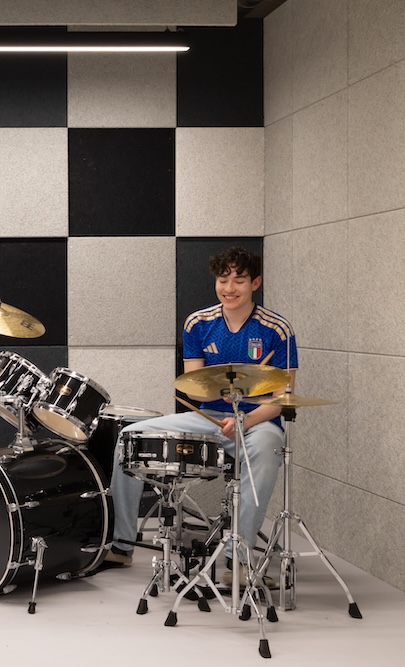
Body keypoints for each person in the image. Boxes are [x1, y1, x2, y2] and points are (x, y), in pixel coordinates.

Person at [104, 246, 297, 586]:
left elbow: (282, 399)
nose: (230, 288)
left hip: (259, 422)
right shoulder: (198, 323)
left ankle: (236, 560)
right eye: (224, 280)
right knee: (129, 436)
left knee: (267, 451)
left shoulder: (277, 330)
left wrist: (246, 421)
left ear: (256, 282)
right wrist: (216, 392)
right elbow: (195, 388)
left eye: (239, 280)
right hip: (208, 418)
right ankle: (121, 543)